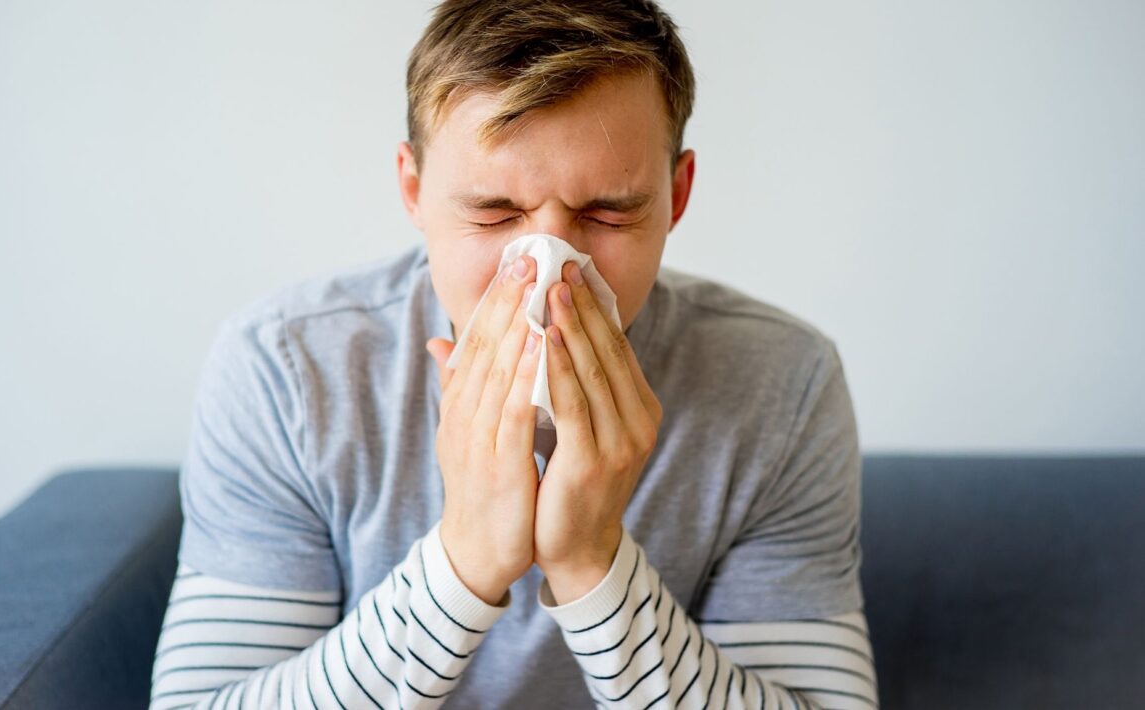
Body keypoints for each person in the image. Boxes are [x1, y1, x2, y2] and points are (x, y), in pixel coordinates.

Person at [149, 1, 879, 708]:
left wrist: (593, 564)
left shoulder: (784, 383)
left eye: (609, 212)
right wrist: (464, 559)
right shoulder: (286, 371)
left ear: (676, 196)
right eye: (493, 213)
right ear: (413, 189)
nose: (550, 270)